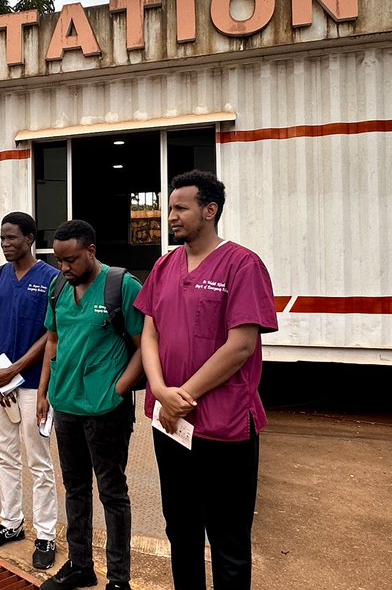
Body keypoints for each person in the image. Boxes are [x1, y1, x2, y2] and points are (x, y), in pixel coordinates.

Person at [134, 170, 278, 590]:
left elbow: (241, 346)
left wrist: (187, 394)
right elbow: (150, 331)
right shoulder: (164, 265)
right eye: (170, 208)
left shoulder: (242, 264)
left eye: (181, 208)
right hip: (171, 423)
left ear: (209, 210)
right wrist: (161, 391)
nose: (171, 216)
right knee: (180, 530)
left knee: (228, 538)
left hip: (224, 426)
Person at [38, 219, 143, 590]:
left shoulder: (122, 286)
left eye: (71, 260)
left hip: (105, 412)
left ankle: (119, 580)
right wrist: (43, 393)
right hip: (66, 407)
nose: (64, 268)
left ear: (91, 251)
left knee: (113, 493)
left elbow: (146, 345)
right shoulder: (58, 287)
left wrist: (119, 389)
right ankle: (80, 565)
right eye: (59, 260)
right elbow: (53, 339)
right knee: (76, 488)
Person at [0, 212, 61, 570]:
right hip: (0, 386)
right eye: (2, 238)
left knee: (38, 460)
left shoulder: (52, 279)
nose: (6, 244)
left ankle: (45, 533)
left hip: (34, 384)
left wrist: (16, 369)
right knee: (4, 454)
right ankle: (11, 524)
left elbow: (51, 334)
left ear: (29, 238)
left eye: (12, 237)